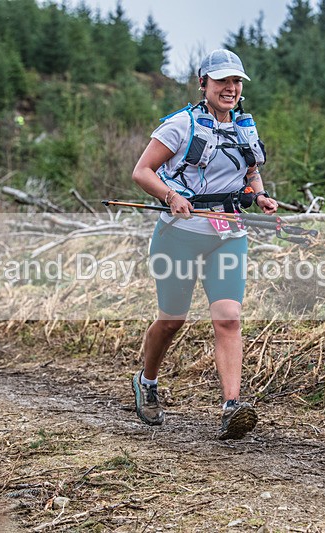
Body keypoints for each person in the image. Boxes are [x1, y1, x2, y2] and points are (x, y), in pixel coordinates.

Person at [130, 49, 278, 440]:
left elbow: (250, 170)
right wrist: (170, 197)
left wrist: (259, 195)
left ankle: (232, 407)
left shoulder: (245, 126)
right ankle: (146, 381)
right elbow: (142, 171)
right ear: (203, 84)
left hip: (229, 234)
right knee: (172, 320)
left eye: (236, 82)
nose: (230, 89)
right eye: (222, 82)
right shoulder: (181, 125)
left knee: (228, 316)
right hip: (179, 234)